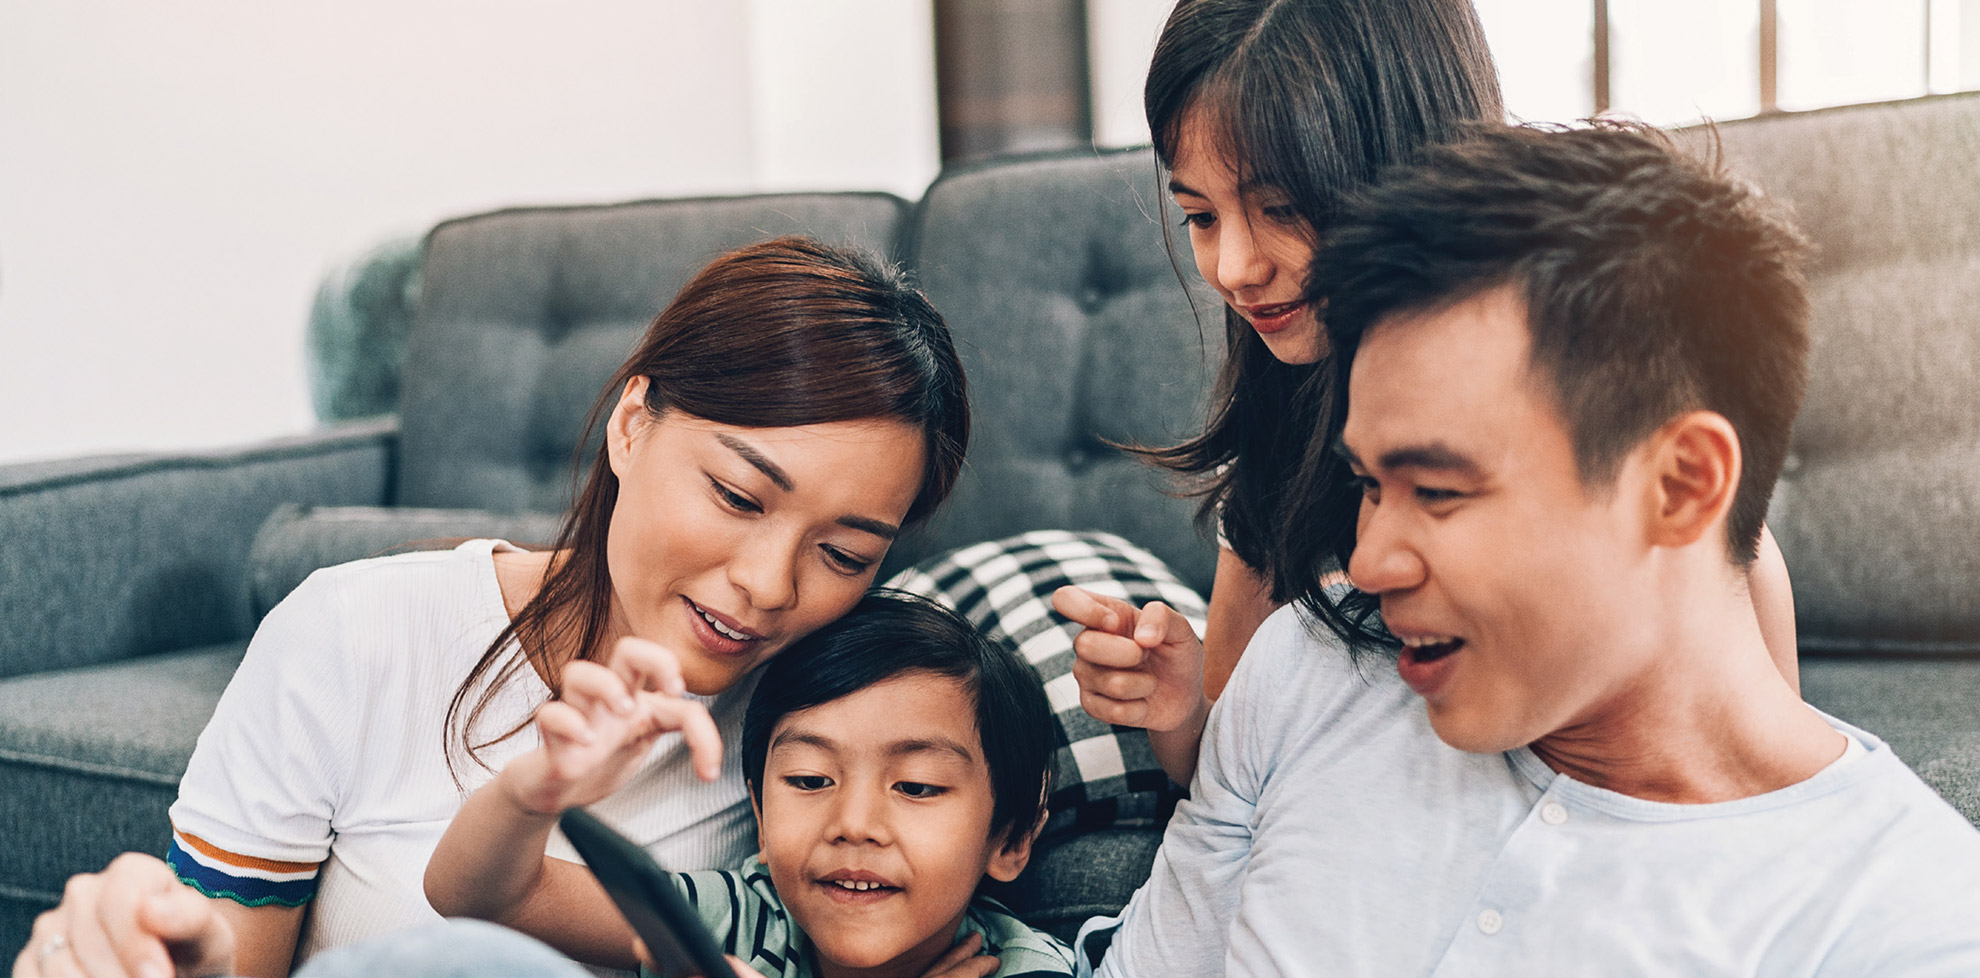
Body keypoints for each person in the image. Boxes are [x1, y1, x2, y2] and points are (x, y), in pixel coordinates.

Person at [1088, 122, 1980, 975]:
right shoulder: (1304, 668)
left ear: (1681, 486)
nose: (1365, 566)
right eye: (1367, 485)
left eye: (1437, 490)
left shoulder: (1910, 929)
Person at [14, 236, 973, 978]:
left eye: (844, 553)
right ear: (633, 427)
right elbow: (222, 956)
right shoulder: (353, 636)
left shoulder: (831, 744)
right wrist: (152, 947)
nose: (769, 586)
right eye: (736, 496)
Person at [1051, 0, 1802, 786]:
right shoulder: (1281, 441)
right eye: (1200, 216)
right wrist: (1179, 714)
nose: (1235, 267)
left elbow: (1754, 704)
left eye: (1281, 209)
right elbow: (1229, 782)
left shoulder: (1574, 360)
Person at [426, 592, 1074, 978]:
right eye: (810, 779)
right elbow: (487, 899)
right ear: (760, 818)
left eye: (917, 787)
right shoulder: (736, 918)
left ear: (1012, 835)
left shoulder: (1025, 969)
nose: (854, 822)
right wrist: (530, 793)